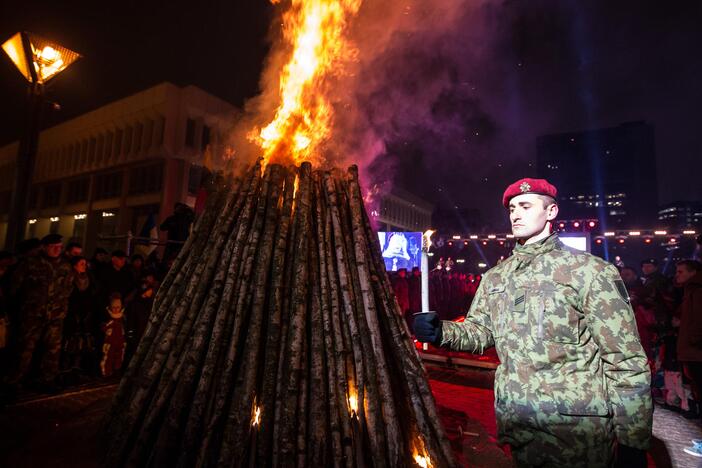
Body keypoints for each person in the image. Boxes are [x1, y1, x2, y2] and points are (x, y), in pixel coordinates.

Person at [414, 178, 652, 467]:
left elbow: (625, 359)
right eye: (512, 208)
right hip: (519, 424)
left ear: (551, 212)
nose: (516, 214)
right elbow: (480, 332)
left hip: (576, 432)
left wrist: (632, 440)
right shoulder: (497, 277)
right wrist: (442, 331)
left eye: (526, 206)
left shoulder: (590, 272)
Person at [6, 234, 75, 393]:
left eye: (59, 246)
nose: (57, 249)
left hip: (55, 316)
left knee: (52, 350)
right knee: (24, 350)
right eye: (53, 246)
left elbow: (68, 289)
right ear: (43, 247)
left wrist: (61, 308)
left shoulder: (65, 266)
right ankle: (12, 382)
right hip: (32, 316)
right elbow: (13, 288)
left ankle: (46, 380)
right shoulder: (29, 264)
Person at [101, 293, 126, 377]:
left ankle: (117, 371)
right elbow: (103, 327)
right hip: (110, 342)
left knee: (119, 358)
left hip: (120, 342)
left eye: (118, 307)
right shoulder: (107, 317)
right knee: (108, 358)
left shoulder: (123, 317)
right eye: (113, 307)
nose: (116, 309)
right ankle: (107, 373)